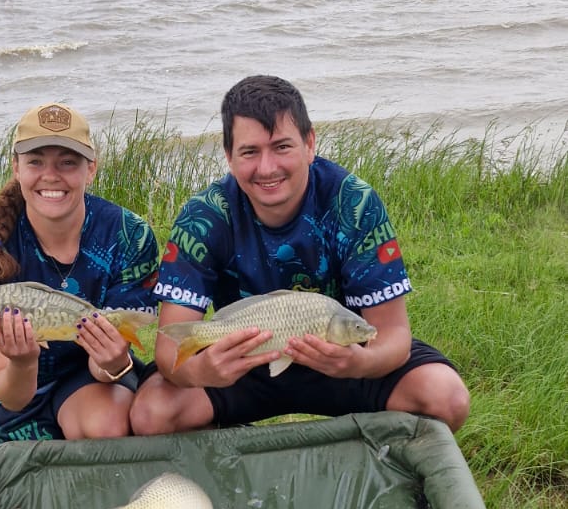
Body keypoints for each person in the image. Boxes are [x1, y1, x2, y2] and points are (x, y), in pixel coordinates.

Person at [130, 75, 469, 436]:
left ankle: (366, 455)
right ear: (229, 157)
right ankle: (244, 454)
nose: (267, 168)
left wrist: (359, 362)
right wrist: (202, 371)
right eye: (249, 152)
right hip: (247, 362)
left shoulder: (355, 204)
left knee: (445, 397)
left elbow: (394, 335)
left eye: (282, 147)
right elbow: (170, 349)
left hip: (342, 355)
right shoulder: (204, 216)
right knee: (152, 414)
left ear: (309, 144)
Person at [0, 102, 159, 447]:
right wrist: (22, 361)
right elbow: (11, 396)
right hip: (9, 392)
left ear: (91, 169)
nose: (51, 175)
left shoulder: (129, 236)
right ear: (16, 168)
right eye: (36, 161)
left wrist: (113, 361)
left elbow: (104, 369)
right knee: (20, 462)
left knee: (109, 425)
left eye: (67, 162)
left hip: (84, 377)